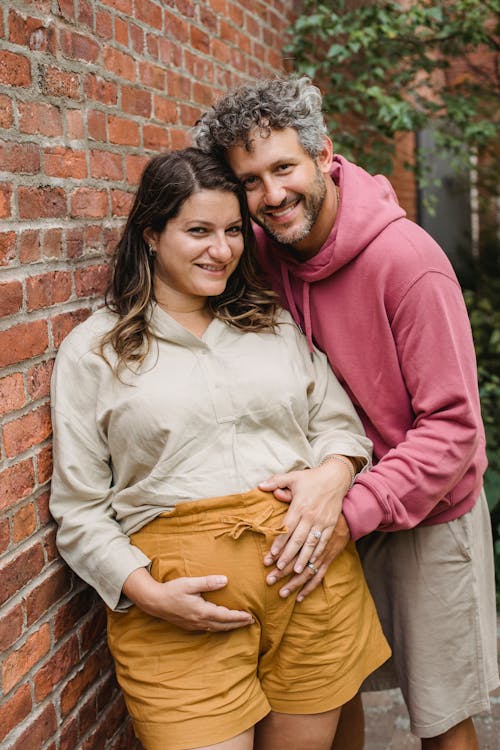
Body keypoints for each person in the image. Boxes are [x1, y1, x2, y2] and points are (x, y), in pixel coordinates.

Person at [193, 76, 500, 750]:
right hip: (325, 509)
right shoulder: (264, 256)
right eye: (250, 181)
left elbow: (453, 429)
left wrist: (351, 508)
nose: (272, 195)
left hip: (427, 513)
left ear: (323, 154)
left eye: (284, 168)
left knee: (439, 717)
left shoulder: (407, 262)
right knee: (332, 693)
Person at [49, 147, 390, 750]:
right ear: (151, 234)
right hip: (179, 612)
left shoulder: (271, 324)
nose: (223, 249)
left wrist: (335, 472)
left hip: (308, 584)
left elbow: (340, 427)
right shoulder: (94, 351)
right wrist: (144, 591)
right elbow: (78, 508)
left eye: (234, 230)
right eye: (198, 231)